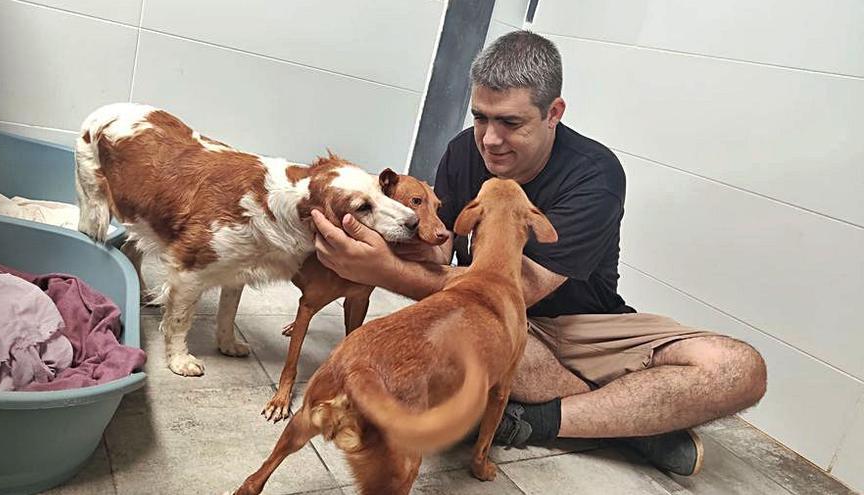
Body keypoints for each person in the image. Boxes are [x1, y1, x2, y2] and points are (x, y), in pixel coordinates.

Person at [308, 30, 767, 476]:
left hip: (581, 323)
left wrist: (385, 272)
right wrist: (380, 233)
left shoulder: (596, 175)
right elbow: (440, 257)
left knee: (738, 368)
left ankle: (532, 421)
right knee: (466, 340)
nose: (489, 138)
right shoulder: (461, 152)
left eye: (510, 122)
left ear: (554, 113)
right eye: (480, 117)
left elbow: (518, 290)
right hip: (490, 319)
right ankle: (631, 425)